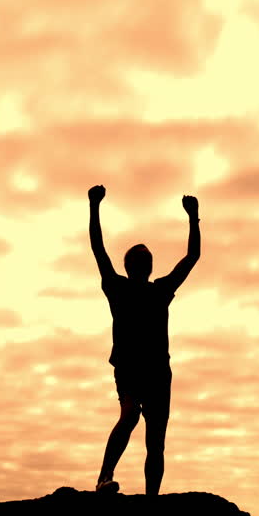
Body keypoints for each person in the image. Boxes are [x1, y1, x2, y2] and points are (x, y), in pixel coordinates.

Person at [88, 184, 200, 495]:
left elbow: (192, 256)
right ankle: (104, 478)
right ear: (130, 265)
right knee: (129, 416)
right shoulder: (117, 287)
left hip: (157, 373)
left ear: (149, 266)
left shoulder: (159, 291)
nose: (144, 259)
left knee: (156, 440)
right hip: (129, 368)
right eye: (139, 257)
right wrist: (94, 206)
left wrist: (194, 218)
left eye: (146, 257)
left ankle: (152, 499)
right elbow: (98, 248)